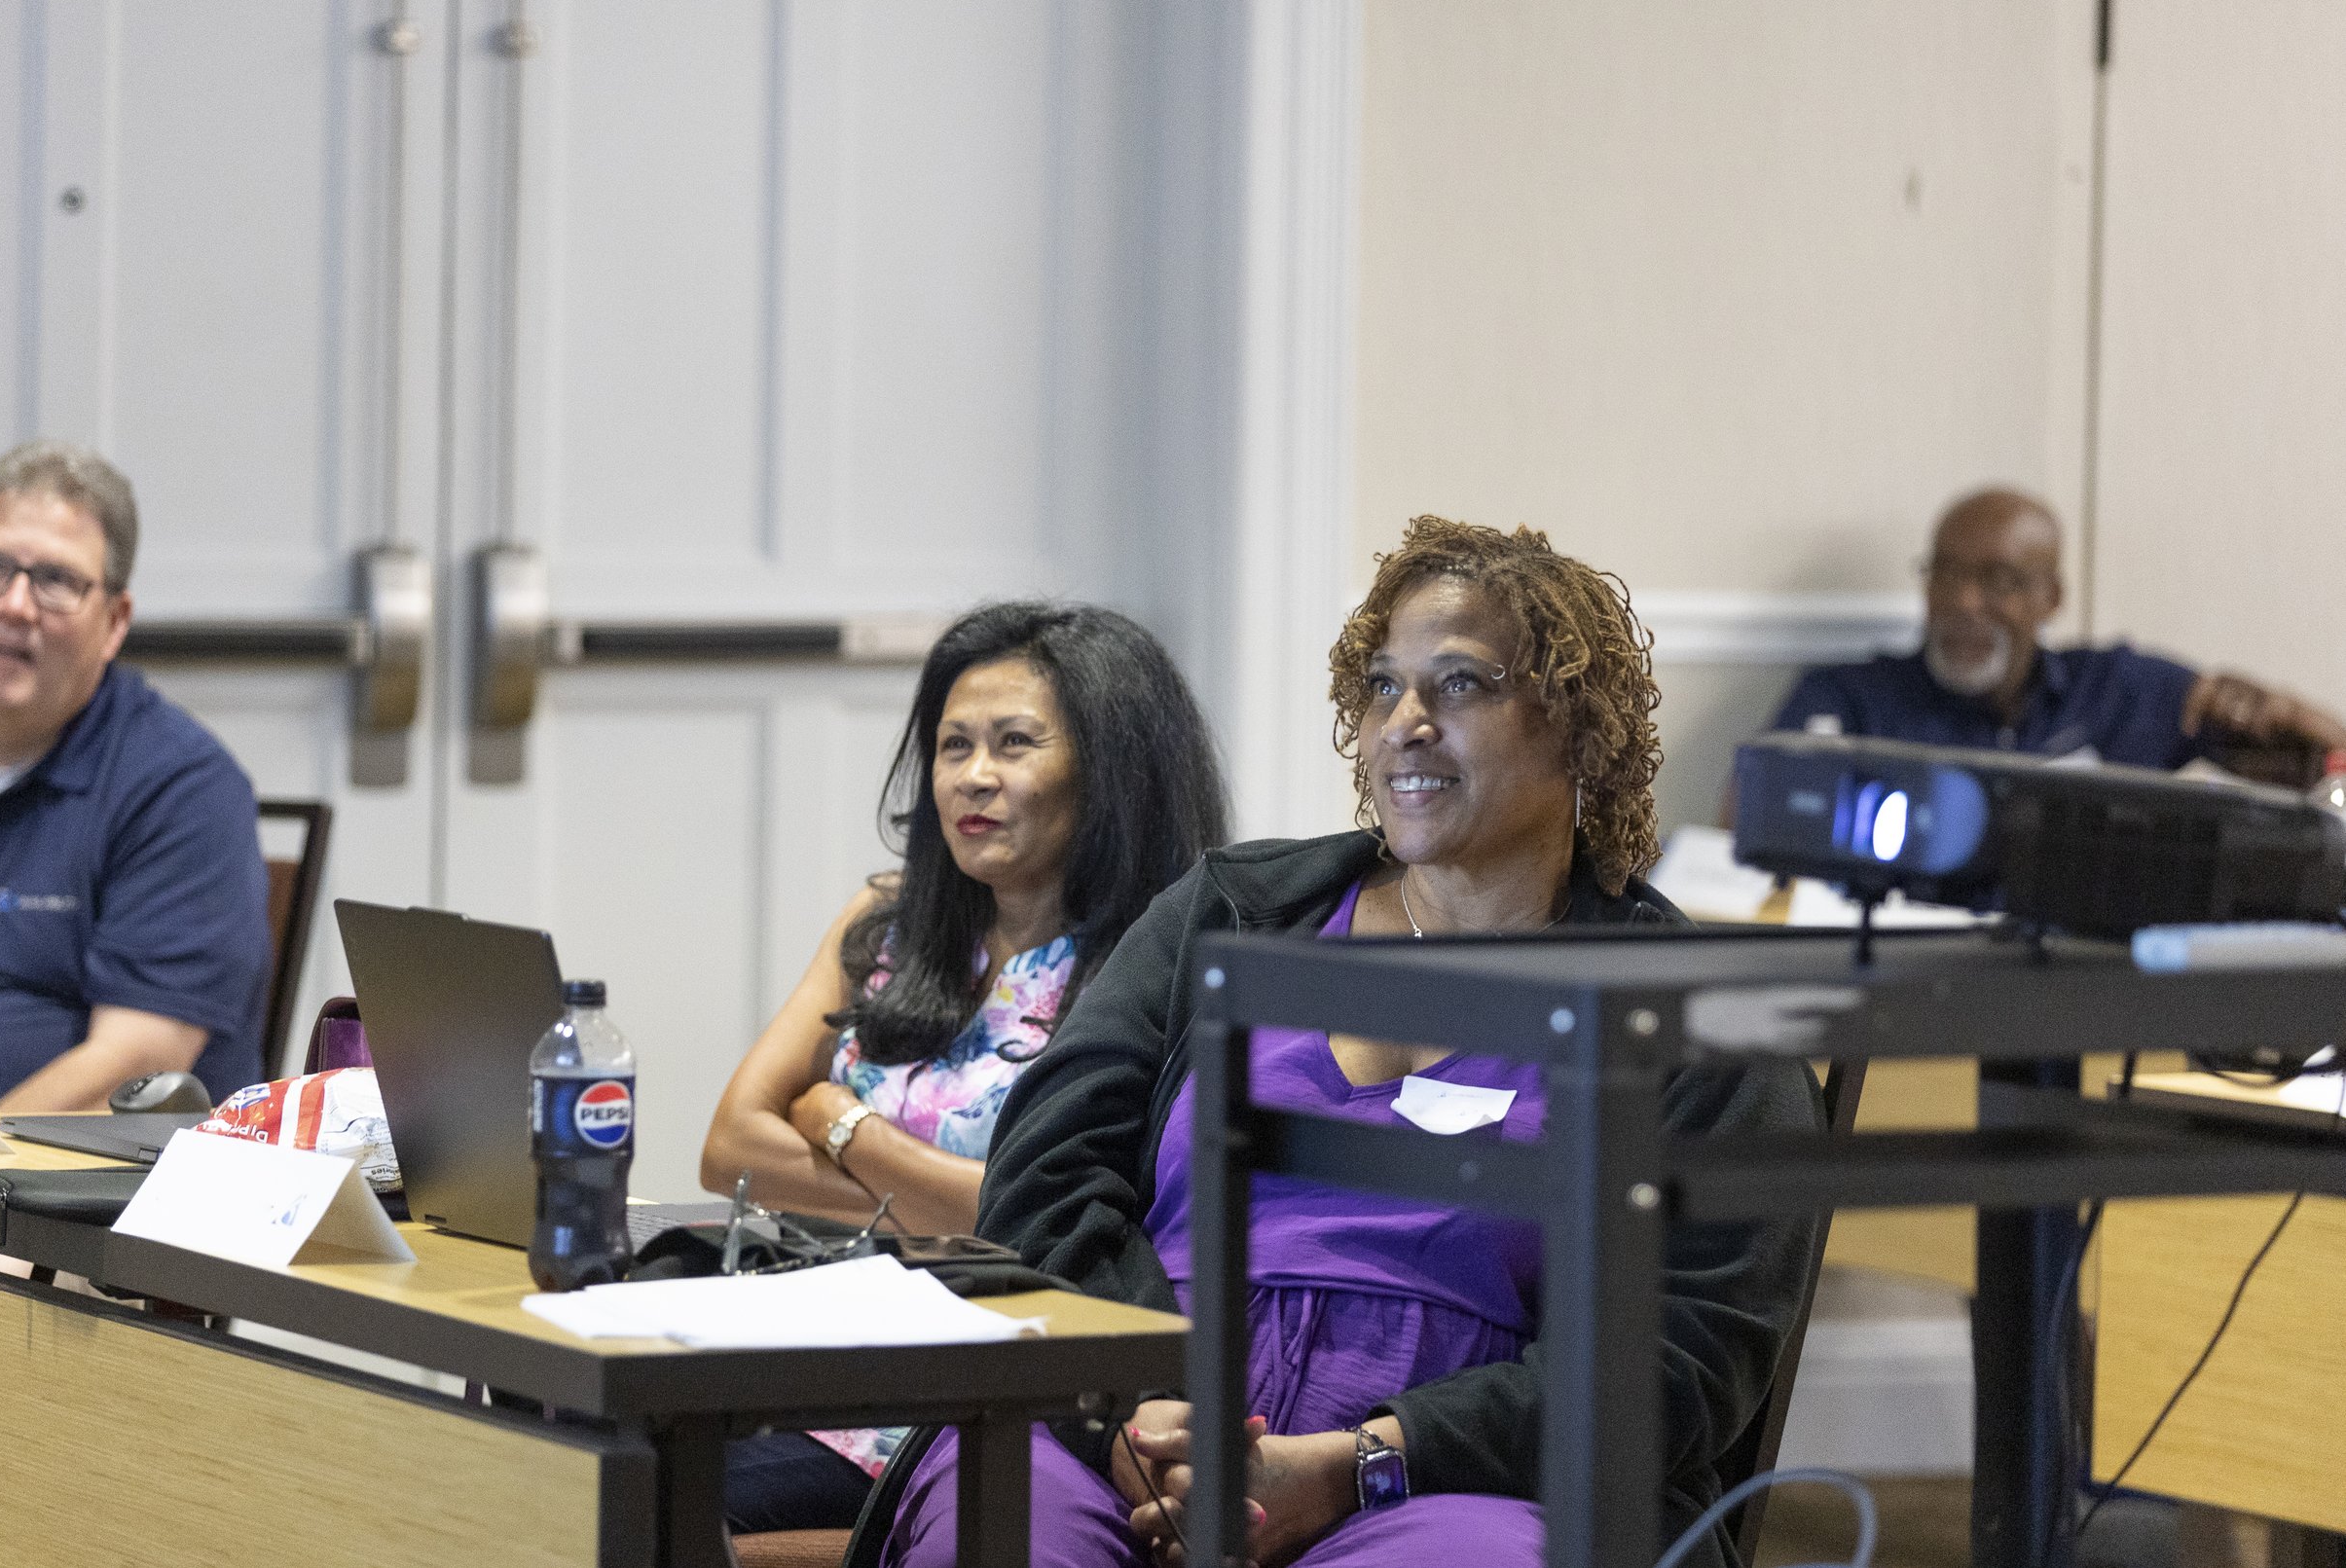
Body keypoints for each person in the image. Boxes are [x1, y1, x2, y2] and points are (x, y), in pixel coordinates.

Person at [873, 518, 1821, 1568]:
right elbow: (1043, 1176)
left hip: (1459, 1482)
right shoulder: (1227, 913)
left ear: (1574, 725)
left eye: (1458, 684)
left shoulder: (1688, 1021)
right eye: (1381, 686)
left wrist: (1358, 1461)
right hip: (1130, 1435)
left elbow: (1677, 1361)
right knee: (996, 1519)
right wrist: (1145, 1406)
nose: (1403, 721)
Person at [699, 600, 1230, 1535]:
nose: (972, 779)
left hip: (950, 1404)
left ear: (1111, 775)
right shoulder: (888, 920)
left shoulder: (1156, 977)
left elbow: (1030, 1218)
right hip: (792, 1348)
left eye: (1015, 744)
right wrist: (929, 1193)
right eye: (953, 746)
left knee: (618, 1493)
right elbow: (731, 1146)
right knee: (539, 1433)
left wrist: (833, 1117)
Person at [0, 441, 270, 1112]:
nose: (14, 605)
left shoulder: (183, 789)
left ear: (114, 623)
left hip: (43, 1199)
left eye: (55, 580)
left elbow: (135, 1067)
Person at [1768, 485, 2346, 767]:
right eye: (1945, 574)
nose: (1964, 601)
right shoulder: (1852, 699)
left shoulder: (2117, 691)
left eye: (2000, 580)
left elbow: (2321, 760)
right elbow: (1747, 824)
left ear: (2052, 598)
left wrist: (2283, 719)